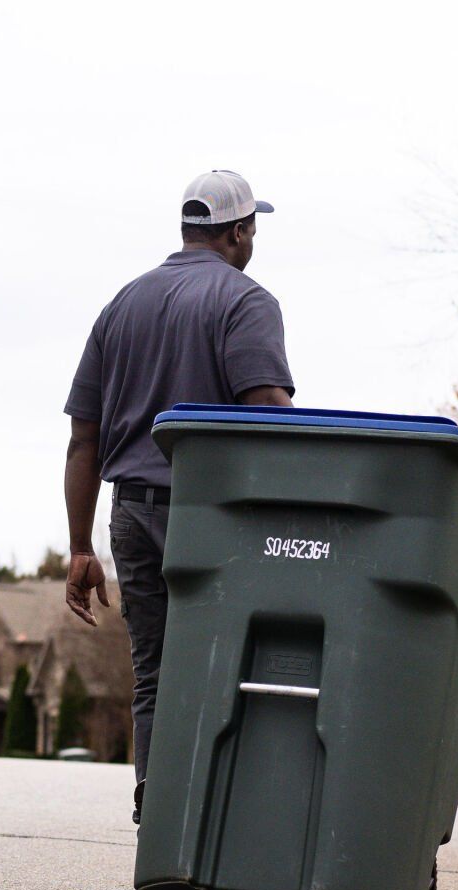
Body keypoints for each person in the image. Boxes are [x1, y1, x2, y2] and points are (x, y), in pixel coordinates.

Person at [62, 170, 295, 823]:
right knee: (240, 659)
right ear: (239, 230)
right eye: (253, 228)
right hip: (215, 514)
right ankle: (229, 819)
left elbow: (84, 440)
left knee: (156, 669)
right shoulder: (246, 302)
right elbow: (271, 416)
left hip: (131, 511)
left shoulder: (123, 304)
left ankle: (158, 811)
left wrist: (81, 548)